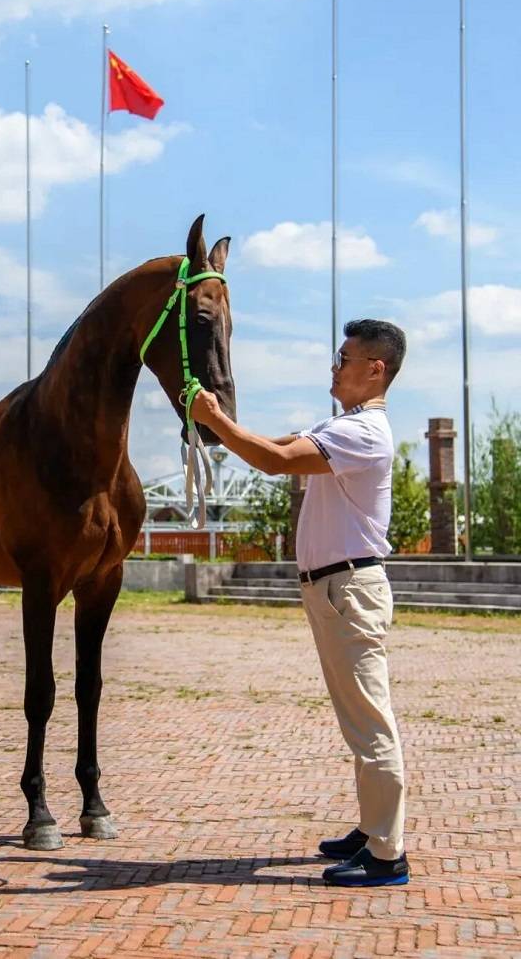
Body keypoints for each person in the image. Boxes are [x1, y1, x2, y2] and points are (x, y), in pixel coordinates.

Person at [190, 318, 409, 888]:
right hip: (335, 588)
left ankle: (388, 855)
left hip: (349, 589)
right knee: (356, 718)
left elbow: (276, 462)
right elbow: (283, 444)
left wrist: (214, 420)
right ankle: (372, 829)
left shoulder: (365, 433)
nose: (334, 368)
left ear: (374, 369)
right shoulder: (345, 426)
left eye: (343, 359)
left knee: (370, 724)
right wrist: (225, 426)